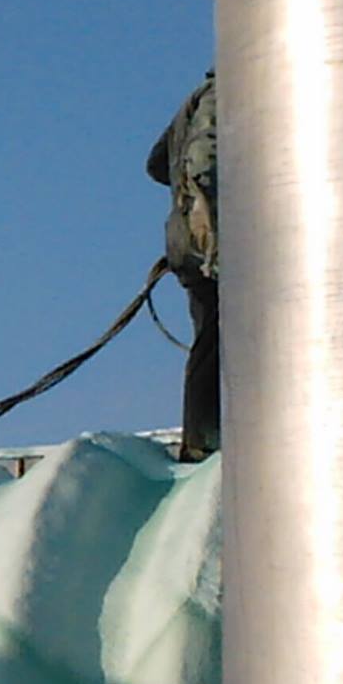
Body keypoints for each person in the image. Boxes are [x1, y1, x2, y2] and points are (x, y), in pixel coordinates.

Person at [145, 71, 219, 462]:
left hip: (186, 242)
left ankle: (203, 438)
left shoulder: (192, 100)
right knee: (221, 338)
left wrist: (180, 192)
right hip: (213, 244)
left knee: (210, 338)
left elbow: (156, 164)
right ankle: (205, 441)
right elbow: (206, 162)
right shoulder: (226, 94)